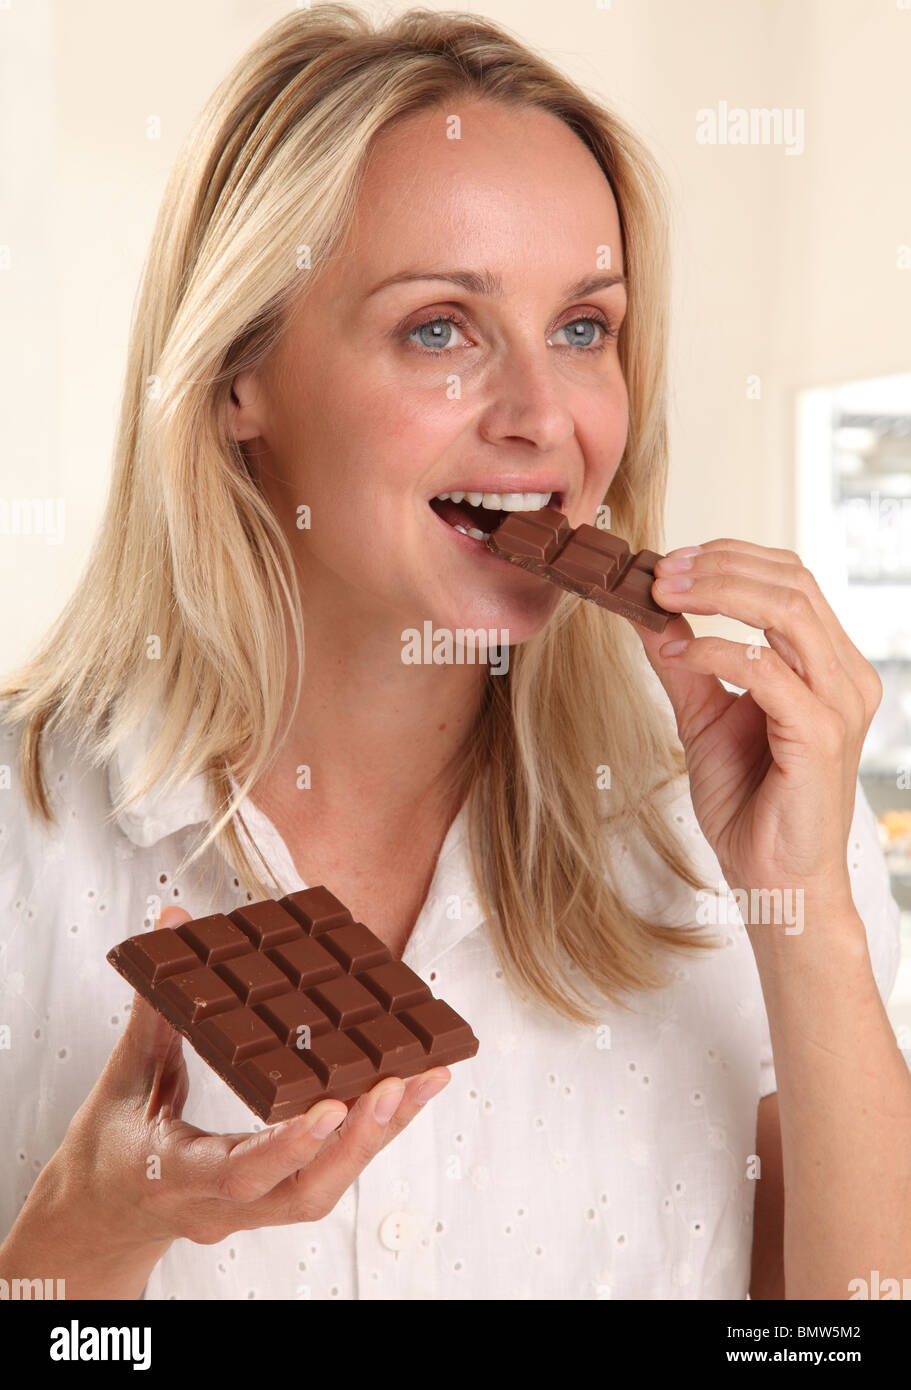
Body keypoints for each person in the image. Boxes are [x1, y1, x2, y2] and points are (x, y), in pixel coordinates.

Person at [0, 4, 906, 1302]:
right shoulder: (22, 833)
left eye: (585, 328)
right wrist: (88, 1233)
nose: (547, 418)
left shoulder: (739, 832)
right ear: (239, 376)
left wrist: (807, 905)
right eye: (441, 327)